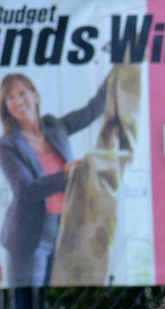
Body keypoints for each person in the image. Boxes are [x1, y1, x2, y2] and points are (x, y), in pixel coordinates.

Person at [0, 72, 108, 286]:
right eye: (10, 98)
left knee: (49, 298)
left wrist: (120, 69)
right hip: (29, 235)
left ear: (35, 95)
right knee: (26, 301)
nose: (18, 101)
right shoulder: (8, 144)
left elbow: (93, 110)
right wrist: (65, 174)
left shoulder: (54, 126)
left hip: (63, 228)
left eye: (22, 94)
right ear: (6, 107)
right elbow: (24, 191)